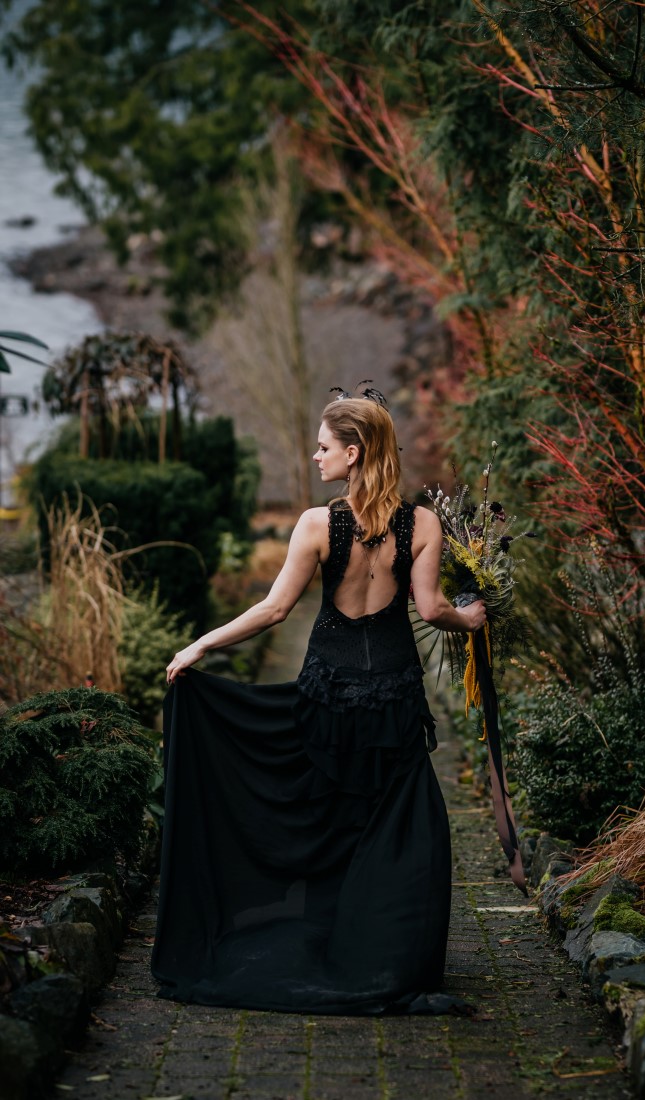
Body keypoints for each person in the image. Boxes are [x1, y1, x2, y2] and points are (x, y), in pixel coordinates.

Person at [151, 395, 486, 1015]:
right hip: (394, 700)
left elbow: (274, 610)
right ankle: (384, 953)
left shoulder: (315, 524)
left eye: (325, 446)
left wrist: (200, 645)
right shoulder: (424, 525)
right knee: (401, 829)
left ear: (353, 453)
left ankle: (329, 934)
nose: (316, 455)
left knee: (328, 820)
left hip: (326, 698)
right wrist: (473, 616)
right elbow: (435, 611)